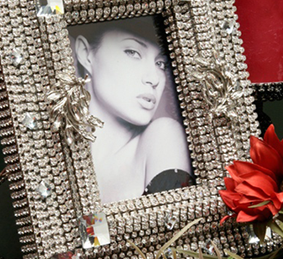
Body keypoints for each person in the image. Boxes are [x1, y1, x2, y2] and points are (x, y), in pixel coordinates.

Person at [71, 16, 194, 204]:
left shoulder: (162, 137)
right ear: (86, 53)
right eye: (133, 52)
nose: (154, 78)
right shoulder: (61, 165)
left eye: (160, 64)